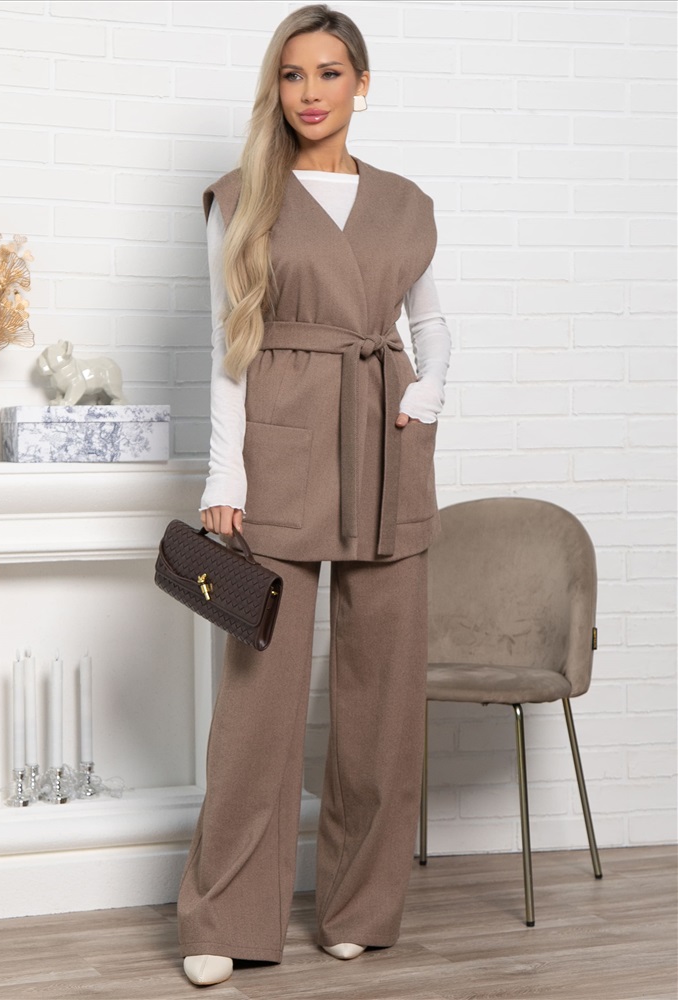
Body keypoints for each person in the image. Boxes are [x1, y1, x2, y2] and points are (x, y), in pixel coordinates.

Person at [177, 4, 451, 987]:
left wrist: (427, 391)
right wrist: (226, 475)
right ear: (276, 87)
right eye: (292, 74)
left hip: (387, 444)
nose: (310, 92)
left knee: (383, 699)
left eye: (330, 73)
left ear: (361, 85)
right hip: (280, 447)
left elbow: (431, 320)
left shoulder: (407, 204)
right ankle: (223, 917)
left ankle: (360, 908)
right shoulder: (241, 197)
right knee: (258, 702)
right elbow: (228, 347)